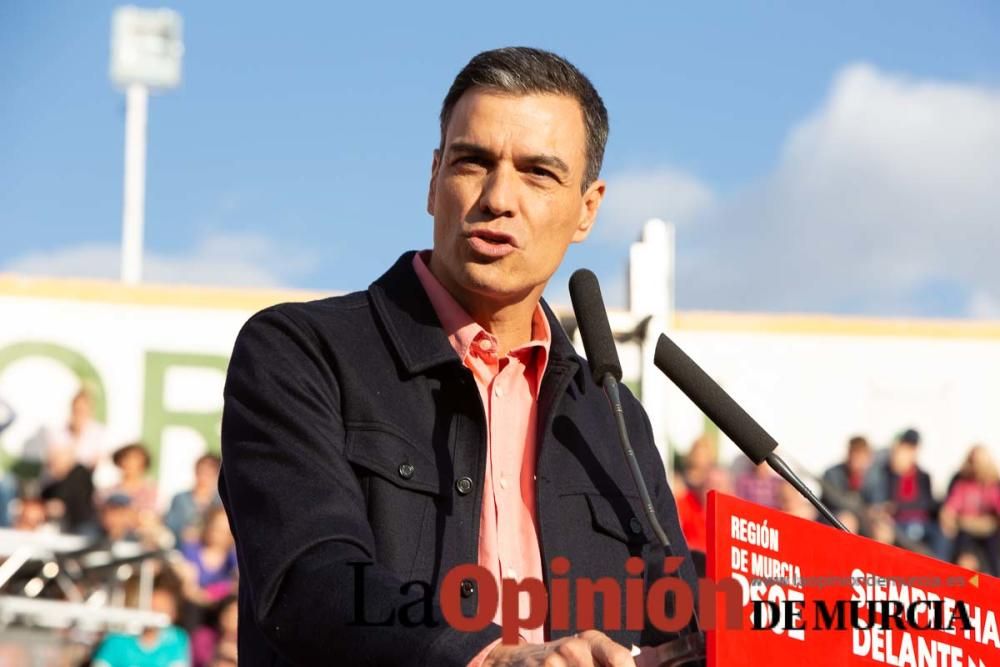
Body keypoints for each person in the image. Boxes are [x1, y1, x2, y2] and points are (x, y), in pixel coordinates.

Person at [220, 47, 697, 667]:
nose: (498, 197)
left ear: (587, 208)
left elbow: (679, 624)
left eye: (538, 173)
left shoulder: (613, 417)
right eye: (473, 162)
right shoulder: (298, 352)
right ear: (433, 179)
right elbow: (311, 582)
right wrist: (490, 658)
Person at [91, 577, 191, 667]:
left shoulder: (176, 640)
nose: (157, 615)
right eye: (153, 608)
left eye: (162, 610)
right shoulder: (118, 639)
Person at [940, 445, 1000, 575]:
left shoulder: (994, 485)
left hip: (990, 533)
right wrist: (948, 520)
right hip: (965, 531)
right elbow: (950, 508)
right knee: (964, 560)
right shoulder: (963, 484)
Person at [165, 453, 223, 545]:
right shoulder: (180, 498)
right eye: (201, 471)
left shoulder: (221, 502)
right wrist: (183, 532)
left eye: (209, 473)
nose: (204, 476)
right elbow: (171, 525)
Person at [819, 436, 872, 532]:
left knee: (882, 529)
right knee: (847, 521)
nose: (859, 462)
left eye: (862, 457)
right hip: (833, 517)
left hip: (863, 520)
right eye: (856, 456)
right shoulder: (832, 473)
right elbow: (835, 502)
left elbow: (876, 501)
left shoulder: (872, 477)